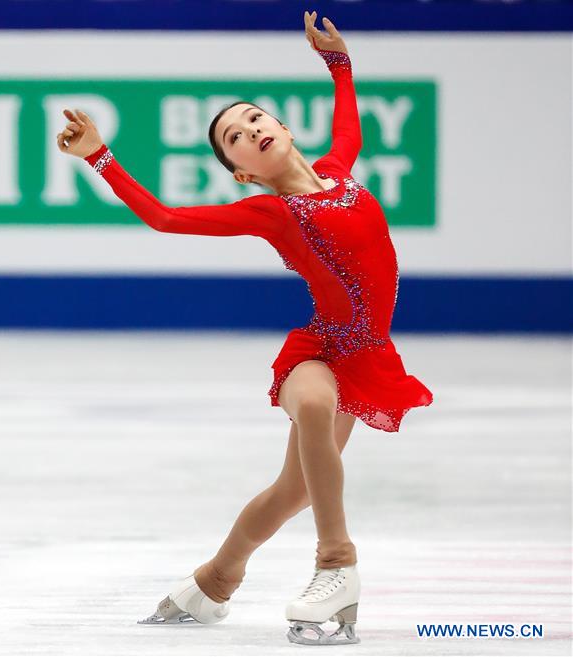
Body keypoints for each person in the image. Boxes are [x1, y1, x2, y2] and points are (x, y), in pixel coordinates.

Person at [56, 10, 433, 646]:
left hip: (369, 355)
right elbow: (168, 220)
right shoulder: (270, 213)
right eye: (233, 137)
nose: (249, 130)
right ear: (241, 172)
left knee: (293, 488)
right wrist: (101, 156)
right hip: (322, 349)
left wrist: (338, 62)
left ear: (282, 128)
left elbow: (348, 124)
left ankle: (213, 582)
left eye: (254, 118)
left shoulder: (341, 172)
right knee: (313, 402)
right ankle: (336, 563)